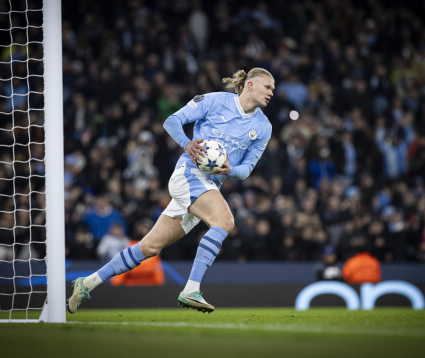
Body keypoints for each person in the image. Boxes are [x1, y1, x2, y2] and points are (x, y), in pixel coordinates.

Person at [68, 67, 275, 314]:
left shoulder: (263, 126)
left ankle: (87, 282)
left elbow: (247, 169)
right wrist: (187, 144)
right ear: (250, 85)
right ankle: (191, 289)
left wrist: (230, 169)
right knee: (225, 221)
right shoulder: (214, 100)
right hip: (189, 175)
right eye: (268, 87)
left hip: (209, 187)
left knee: (149, 247)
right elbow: (172, 121)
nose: (272, 92)